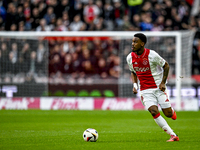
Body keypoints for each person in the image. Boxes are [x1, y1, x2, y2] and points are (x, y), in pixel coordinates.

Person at [126, 33, 179, 142]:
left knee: (168, 114)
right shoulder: (130, 58)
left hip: (159, 88)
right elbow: (133, 72)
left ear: (142, 44)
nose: (133, 44)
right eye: (132, 41)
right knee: (153, 111)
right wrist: (135, 85)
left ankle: (172, 112)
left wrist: (163, 83)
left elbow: (166, 65)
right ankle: (173, 135)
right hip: (145, 91)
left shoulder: (152, 55)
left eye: (135, 42)